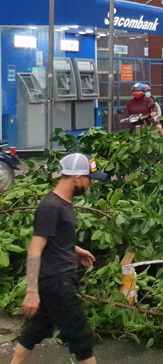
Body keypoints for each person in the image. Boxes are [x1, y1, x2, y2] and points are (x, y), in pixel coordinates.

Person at [11, 153, 108, 364]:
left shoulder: (63, 204)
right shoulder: (51, 207)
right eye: (89, 178)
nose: (90, 184)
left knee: (39, 328)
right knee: (81, 337)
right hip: (58, 282)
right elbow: (35, 250)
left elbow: (53, 238)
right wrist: (31, 290)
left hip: (57, 280)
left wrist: (73, 249)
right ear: (76, 177)